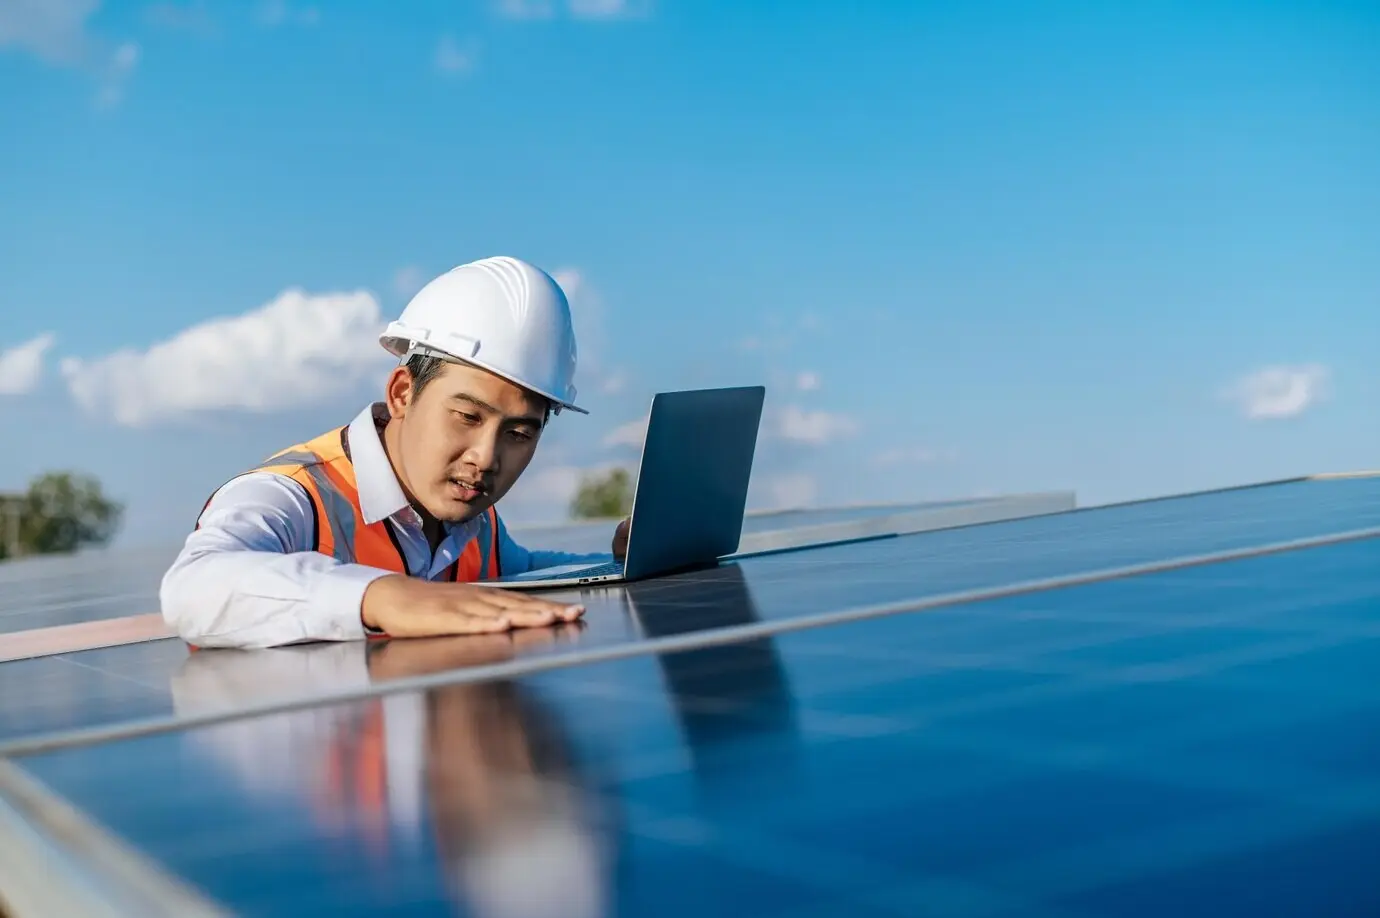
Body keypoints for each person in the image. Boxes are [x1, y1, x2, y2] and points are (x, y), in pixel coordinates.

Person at [160, 255, 628, 649]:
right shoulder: (291, 496)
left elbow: (519, 574)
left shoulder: (472, 520)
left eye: (519, 434)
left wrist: (621, 564)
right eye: (467, 417)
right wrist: (381, 597)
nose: (486, 457)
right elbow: (194, 585)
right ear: (403, 392)